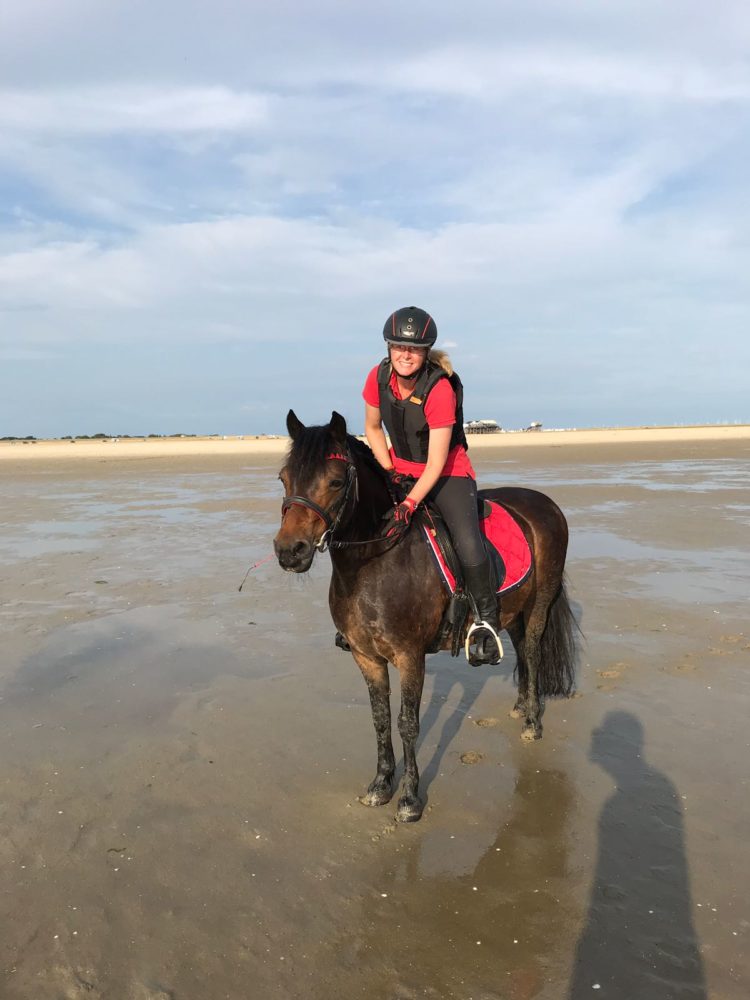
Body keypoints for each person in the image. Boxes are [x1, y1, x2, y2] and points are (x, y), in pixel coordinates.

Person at [361, 305, 502, 665]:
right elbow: (373, 429)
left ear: (425, 353)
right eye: (398, 347)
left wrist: (408, 504)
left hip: (448, 474)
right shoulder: (377, 378)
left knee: (468, 542)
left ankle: (486, 620)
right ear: (389, 348)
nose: (405, 354)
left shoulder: (439, 389)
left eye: (414, 349)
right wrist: (387, 469)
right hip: (400, 468)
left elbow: (436, 462)